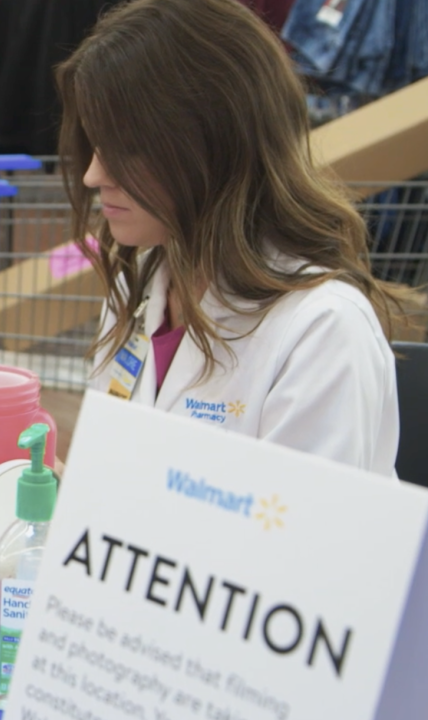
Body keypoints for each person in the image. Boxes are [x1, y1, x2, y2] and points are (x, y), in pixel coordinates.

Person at [57, 0, 415, 475]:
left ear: (214, 143)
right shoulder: (136, 282)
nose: (92, 175)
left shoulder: (322, 330)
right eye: (96, 144)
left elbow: (300, 540)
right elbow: (119, 478)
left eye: (126, 147)